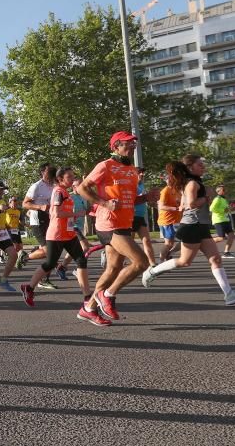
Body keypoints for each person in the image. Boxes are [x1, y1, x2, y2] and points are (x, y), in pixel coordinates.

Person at [141, 156, 235, 306]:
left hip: (201, 225)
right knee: (184, 261)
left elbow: (185, 203)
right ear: (191, 168)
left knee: (216, 259)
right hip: (192, 226)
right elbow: (192, 204)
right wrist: (206, 198)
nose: (203, 167)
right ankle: (152, 272)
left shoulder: (193, 182)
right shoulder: (192, 183)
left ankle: (229, 294)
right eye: (200, 165)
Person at [75, 132, 152, 323]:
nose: (133, 146)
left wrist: (147, 198)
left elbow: (131, 200)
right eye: (128, 143)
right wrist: (105, 203)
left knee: (113, 268)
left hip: (125, 223)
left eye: (134, 143)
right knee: (141, 262)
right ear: (116, 146)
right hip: (108, 223)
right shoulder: (105, 166)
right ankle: (108, 295)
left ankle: (89, 308)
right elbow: (82, 189)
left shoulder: (133, 170)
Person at [20, 168, 100, 321]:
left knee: (81, 261)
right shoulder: (58, 192)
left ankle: (87, 297)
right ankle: (28, 288)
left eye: (73, 176)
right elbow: (57, 213)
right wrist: (76, 214)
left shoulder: (65, 192)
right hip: (56, 235)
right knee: (49, 263)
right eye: (69, 177)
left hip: (68, 234)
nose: (72, 179)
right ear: (60, 179)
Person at [21, 163, 56, 284]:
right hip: (37, 221)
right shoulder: (36, 186)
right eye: (49, 170)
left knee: (50, 252)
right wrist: (40, 206)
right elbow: (25, 204)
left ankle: (25, 257)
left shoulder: (54, 185)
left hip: (50, 220)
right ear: (43, 172)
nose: (51, 171)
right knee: (50, 253)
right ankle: (43, 279)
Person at [132, 167, 156, 266]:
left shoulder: (142, 185)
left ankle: (153, 265)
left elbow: (147, 201)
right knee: (129, 244)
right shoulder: (131, 185)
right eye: (139, 173)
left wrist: (152, 202)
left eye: (142, 173)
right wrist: (141, 197)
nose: (142, 175)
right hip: (131, 217)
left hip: (140, 217)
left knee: (147, 241)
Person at [156, 172, 181, 262]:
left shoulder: (176, 190)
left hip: (176, 220)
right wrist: (176, 208)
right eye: (168, 179)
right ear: (166, 180)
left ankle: (169, 254)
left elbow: (180, 202)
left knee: (187, 239)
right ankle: (160, 262)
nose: (170, 180)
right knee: (169, 243)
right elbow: (161, 206)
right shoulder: (165, 191)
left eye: (172, 178)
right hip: (167, 221)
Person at [209, 184, 235, 258]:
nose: (225, 191)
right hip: (219, 220)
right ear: (218, 191)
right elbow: (211, 209)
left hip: (225, 219)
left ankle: (226, 252)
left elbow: (225, 210)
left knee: (231, 235)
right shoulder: (217, 199)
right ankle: (204, 244)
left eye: (225, 190)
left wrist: (230, 209)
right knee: (221, 238)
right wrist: (223, 210)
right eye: (223, 190)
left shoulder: (224, 199)